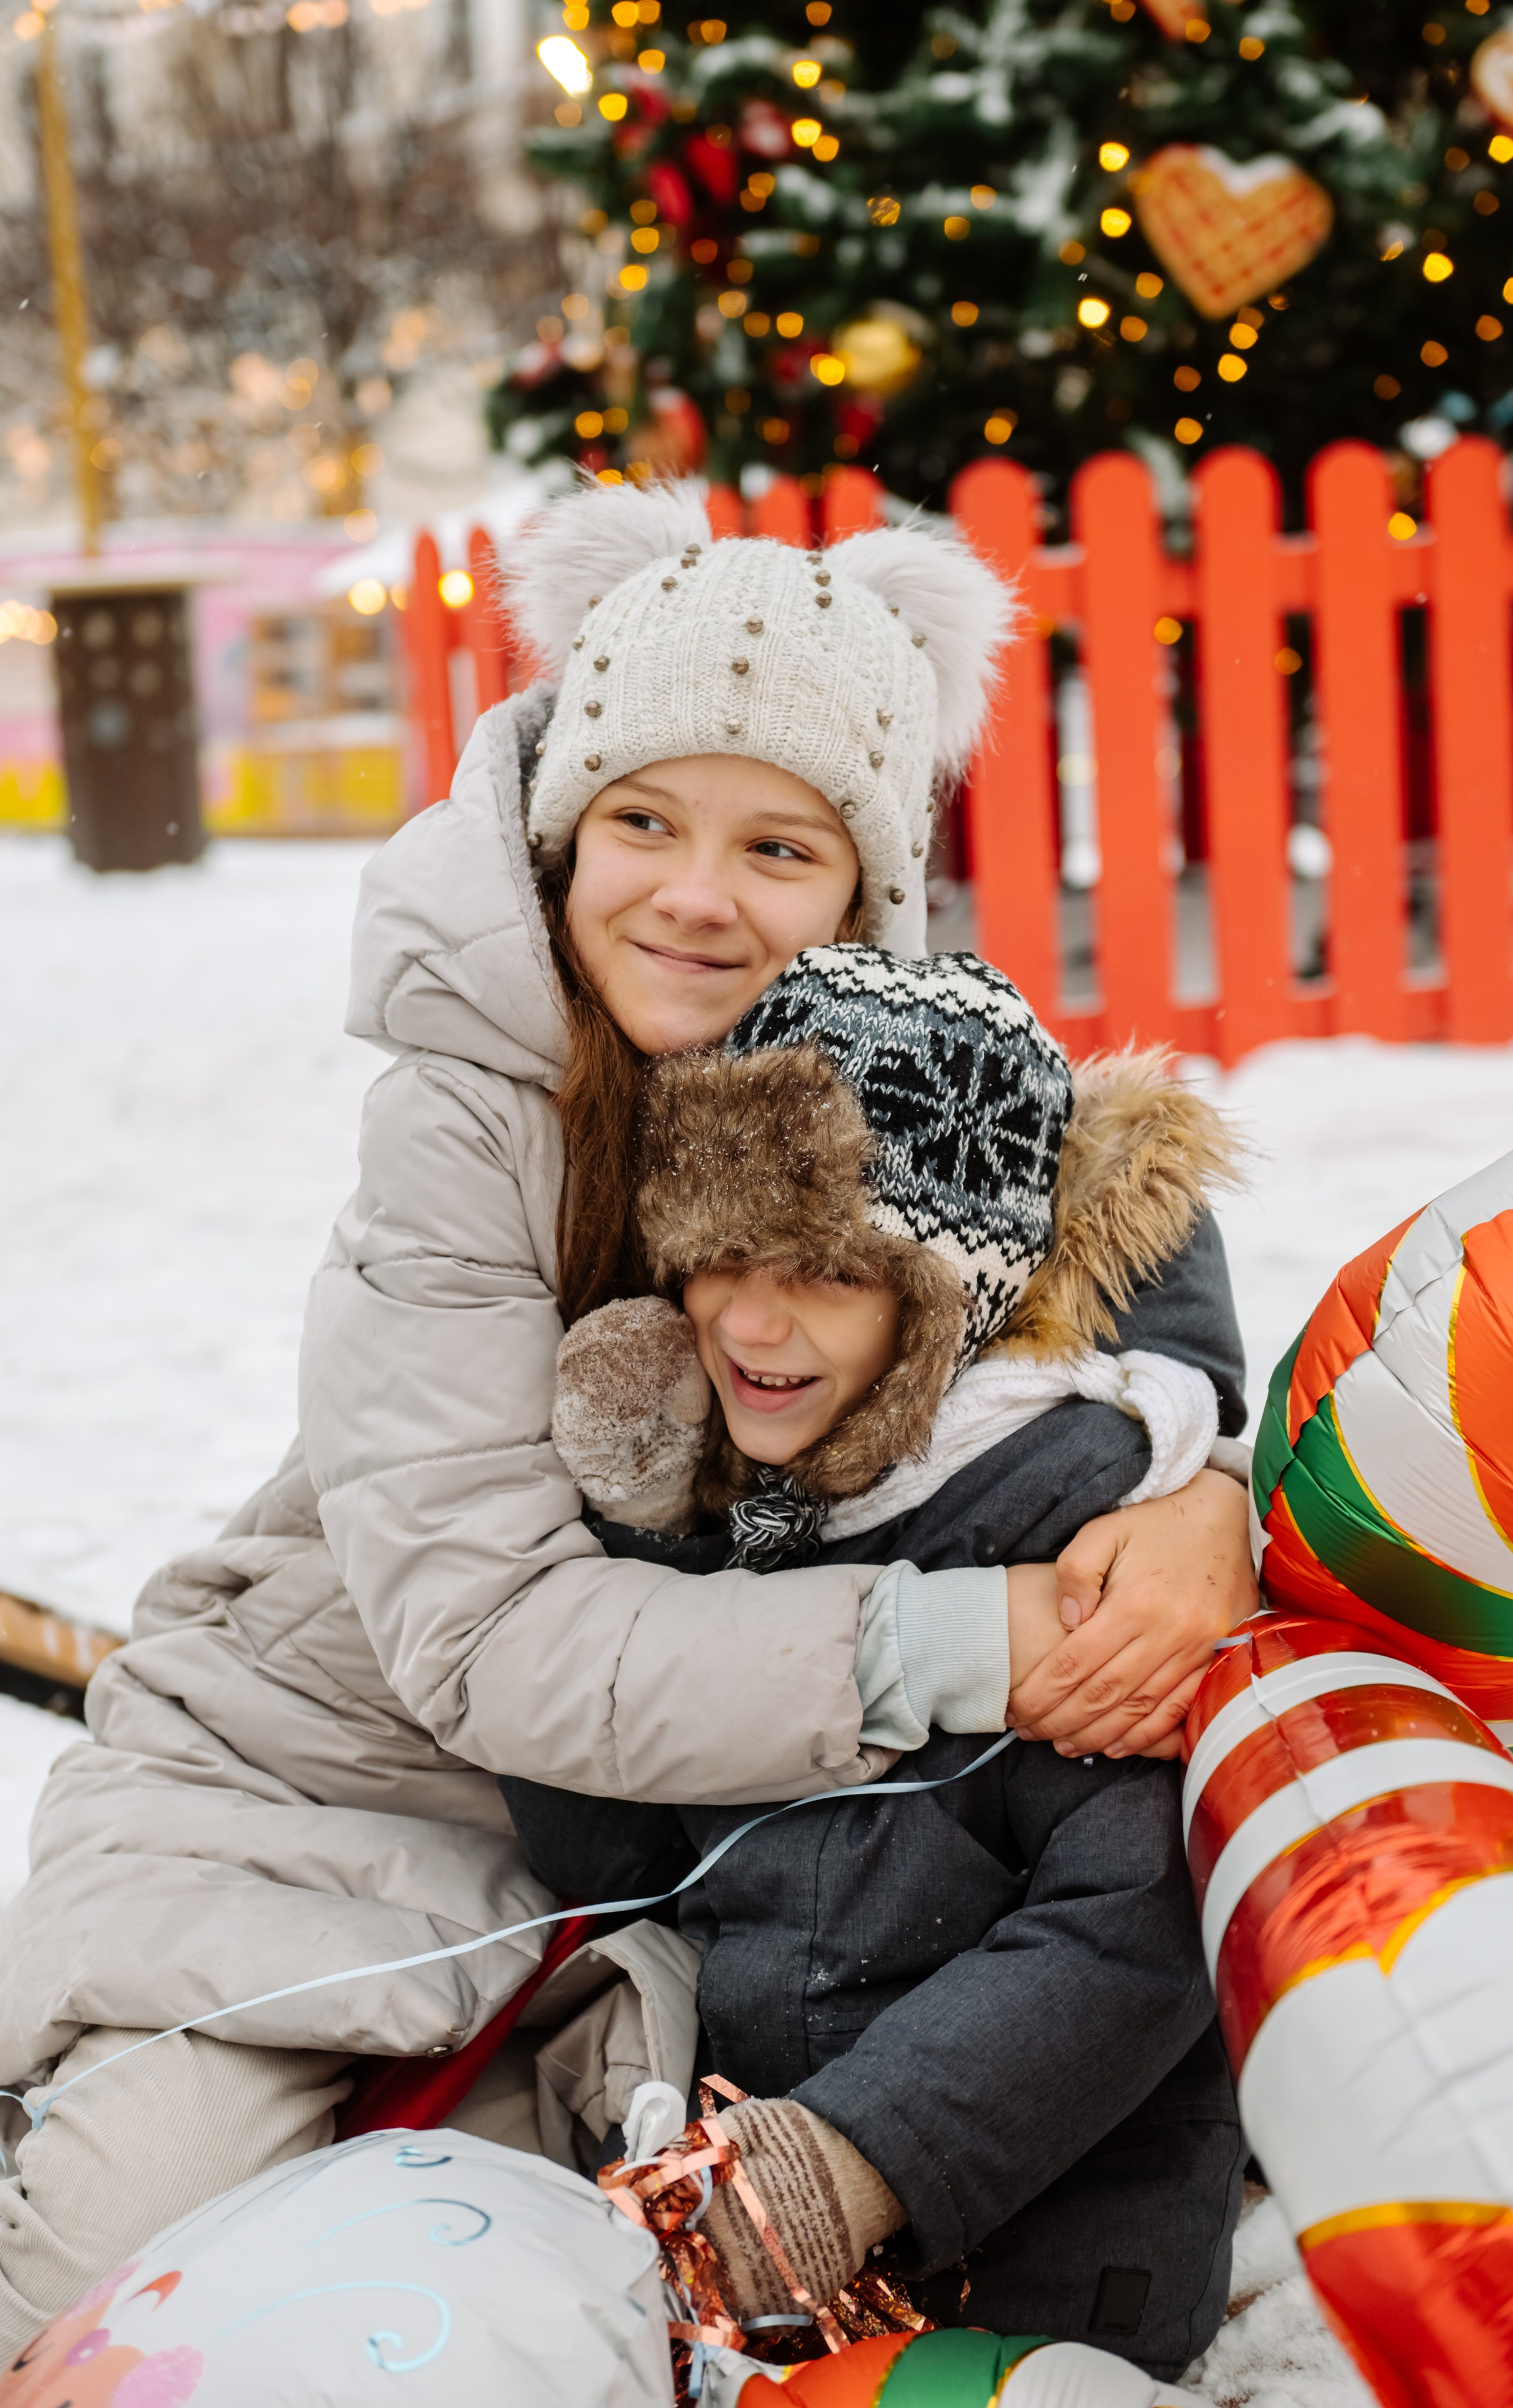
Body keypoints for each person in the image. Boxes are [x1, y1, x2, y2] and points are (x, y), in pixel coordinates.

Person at [0, 478, 1257, 2353]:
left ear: (865, 896)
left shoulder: (877, 1068)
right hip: (328, 1780)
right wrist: (987, 1632)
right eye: (644, 820)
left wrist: (1195, 1467)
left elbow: (1111, 1199)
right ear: (560, 827)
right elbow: (490, 1639)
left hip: (624, 1849)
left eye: (779, 846)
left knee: (519, 2305)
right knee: (99, 2268)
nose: (695, 891)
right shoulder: (469, 1113)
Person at [502, 942, 1247, 2378]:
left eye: (827, 1276)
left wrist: (853, 2164)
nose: (749, 1319)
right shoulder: (741, 1498)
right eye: (717, 1254)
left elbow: (1139, 1923)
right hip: (740, 2229)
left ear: (949, 1298)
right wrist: (630, 1533)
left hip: (1023, 2265)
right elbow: (610, 1849)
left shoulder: (1077, 1538)